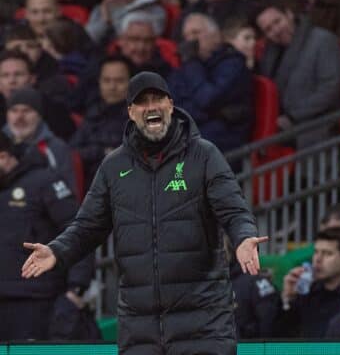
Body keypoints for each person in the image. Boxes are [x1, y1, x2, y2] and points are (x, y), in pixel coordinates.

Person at [21, 71, 267, 355]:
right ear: (130, 112)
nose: (151, 106)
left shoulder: (204, 155)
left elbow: (233, 209)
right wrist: (57, 251)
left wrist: (244, 237)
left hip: (202, 324)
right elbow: (88, 226)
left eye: (157, 99)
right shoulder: (113, 168)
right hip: (140, 329)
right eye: (142, 102)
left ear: (170, 105)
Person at [0, 130, 93, 340]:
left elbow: (78, 231)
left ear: (3, 157)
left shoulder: (45, 182)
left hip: (36, 304)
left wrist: (76, 290)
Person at [256, 3, 340, 148]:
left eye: (277, 21)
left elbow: (329, 90)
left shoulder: (323, 40)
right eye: (268, 29)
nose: (276, 30)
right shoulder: (270, 52)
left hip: (316, 123)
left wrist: (292, 117)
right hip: (280, 123)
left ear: (289, 14)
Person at [170, 13, 254, 154]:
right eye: (187, 36)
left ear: (216, 35)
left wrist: (192, 62)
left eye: (196, 33)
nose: (191, 41)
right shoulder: (189, 66)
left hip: (223, 143)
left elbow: (206, 99)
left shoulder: (233, 64)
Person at [278, 226, 340, 338]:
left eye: (327, 253)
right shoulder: (308, 290)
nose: (317, 259)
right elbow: (281, 336)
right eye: (316, 252)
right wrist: (288, 298)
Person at [69, 55, 131, 188]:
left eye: (119, 81)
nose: (112, 87)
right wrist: (101, 152)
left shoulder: (141, 117)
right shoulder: (92, 113)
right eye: (106, 81)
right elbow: (73, 151)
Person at [3, 87, 77, 197]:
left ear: (39, 116)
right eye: (14, 110)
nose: (19, 117)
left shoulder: (56, 148)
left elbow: (68, 193)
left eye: (26, 111)